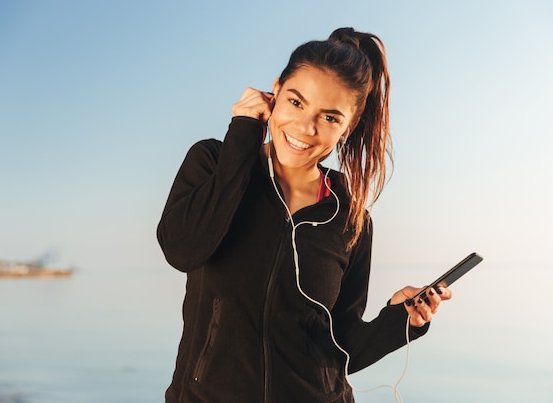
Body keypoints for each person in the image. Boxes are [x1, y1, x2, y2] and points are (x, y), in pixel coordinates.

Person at [157, 27, 452, 403]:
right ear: (275, 92)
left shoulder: (349, 214)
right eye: (296, 103)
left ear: (349, 126)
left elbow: (342, 348)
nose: (306, 128)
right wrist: (244, 135)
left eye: (330, 118)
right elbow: (182, 249)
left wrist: (400, 322)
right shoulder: (214, 162)